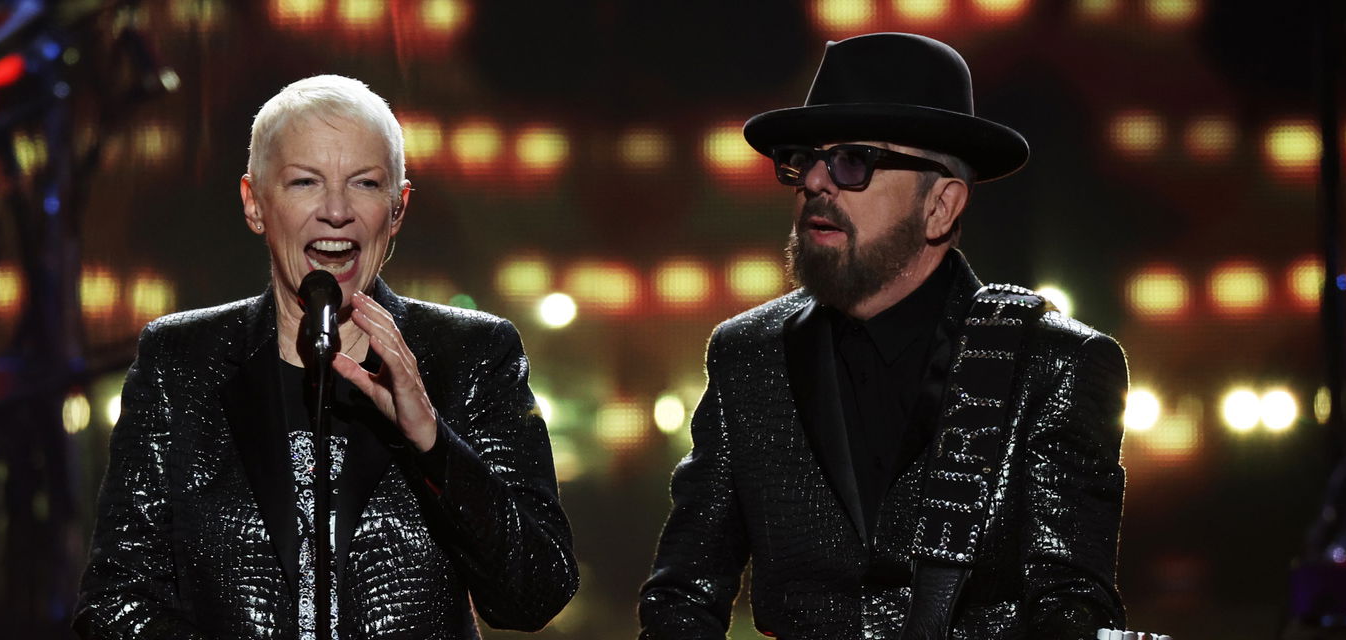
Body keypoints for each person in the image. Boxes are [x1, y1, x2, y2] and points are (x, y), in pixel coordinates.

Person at [639, 33, 1128, 639]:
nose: (815, 182)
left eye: (853, 160)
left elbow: (1073, 606)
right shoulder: (748, 354)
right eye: (802, 159)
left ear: (942, 205)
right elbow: (683, 593)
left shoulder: (1054, 364)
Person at [74, 75, 577, 639]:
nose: (336, 211)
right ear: (255, 204)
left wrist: (432, 441)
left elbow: (534, 595)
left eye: (363, 184)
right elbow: (117, 605)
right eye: (305, 183)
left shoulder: (472, 356)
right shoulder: (181, 362)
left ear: (397, 209)